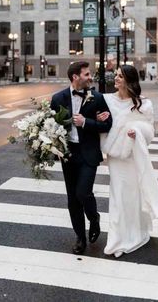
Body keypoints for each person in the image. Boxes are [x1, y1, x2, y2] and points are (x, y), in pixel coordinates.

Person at [97, 65, 158, 258]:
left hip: (133, 157)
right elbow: (102, 124)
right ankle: (117, 239)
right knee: (118, 196)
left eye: (120, 76)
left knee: (134, 196)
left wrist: (137, 131)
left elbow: (149, 131)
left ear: (129, 80)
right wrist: (99, 118)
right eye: (116, 75)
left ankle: (138, 232)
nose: (116, 78)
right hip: (116, 158)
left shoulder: (144, 104)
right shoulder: (107, 100)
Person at [51, 61, 112, 255]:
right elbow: (50, 126)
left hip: (88, 153)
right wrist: (53, 148)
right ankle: (80, 237)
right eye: (86, 74)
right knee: (72, 199)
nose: (89, 77)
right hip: (68, 155)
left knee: (83, 192)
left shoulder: (97, 98)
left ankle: (94, 219)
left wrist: (87, 122)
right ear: (75, 77)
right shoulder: (58, 98)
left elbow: (107, 124)